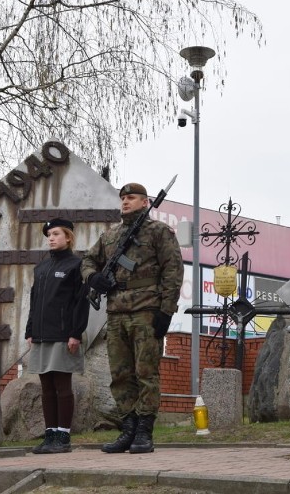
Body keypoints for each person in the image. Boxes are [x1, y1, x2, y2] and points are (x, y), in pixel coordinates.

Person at [82, 182, 183, 454]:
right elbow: (88, 261)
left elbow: (173, 271)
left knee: (146, 372)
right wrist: (94, 277)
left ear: (145, 202)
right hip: (116, 312)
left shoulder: (159, 232)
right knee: (120, 375)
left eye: (132, 198)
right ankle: (128, 428)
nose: (125, 202)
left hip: (147, 311)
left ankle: (144, 431)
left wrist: (166, 311)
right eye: (123, 198)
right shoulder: (110, 236)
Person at [25, 217, 89, 454]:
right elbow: (34, 302)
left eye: (56, 234)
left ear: (68, 237)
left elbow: (80, 302)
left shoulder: (76, 265)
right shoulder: (40, 268)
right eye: (49, 235)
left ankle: (64, 437)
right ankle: (50, 434)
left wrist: (75, 333)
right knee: (46, 387)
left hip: (64, 336)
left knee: (63, 386)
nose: (51, 238)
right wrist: (30, 330)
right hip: (41, 336)